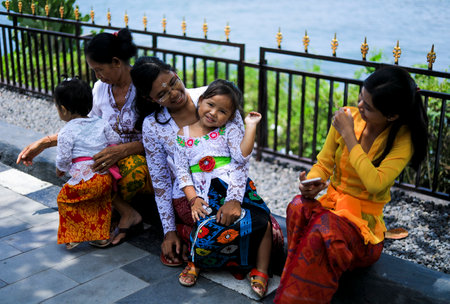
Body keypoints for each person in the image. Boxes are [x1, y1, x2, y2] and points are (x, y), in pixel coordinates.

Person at [274, 66, 428, 303]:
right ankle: (295, 284)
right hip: (332, 209)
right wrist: (312, 182)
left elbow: (375, 184)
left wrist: (349, 136)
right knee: (298, 207)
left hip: (363, 232)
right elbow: (323, 164)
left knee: (324, 229)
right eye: (360, 98)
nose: (359, 106)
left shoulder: (402, 139)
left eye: (368, 106)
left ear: (392, 116)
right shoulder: (349, 117)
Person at [131, 57, 284, 281]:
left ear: (176, 73)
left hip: (227, 185)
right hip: (189, 196)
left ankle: (195, 240)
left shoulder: (217, 98)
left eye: (173, 82)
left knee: (263, 225)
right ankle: (187, 234)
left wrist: (234, 199)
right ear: (150, 99)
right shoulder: (153, 125)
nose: (173, 93)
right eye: (162, 94)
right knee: (225, 223)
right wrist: (169, 232)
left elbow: (240, 160)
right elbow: (161, 181)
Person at [17, 28, 153, 245]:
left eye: (99, 70)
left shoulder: (144, 86)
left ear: (117, 62)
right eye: (94, 71)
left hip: (145, 157)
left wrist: (122, 150)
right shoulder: (100, 88)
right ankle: (108, 213)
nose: (97, 76)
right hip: (109, 156)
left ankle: (119, 213)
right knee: (92, 171)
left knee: (130, 170)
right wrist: (45, 142)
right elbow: (84, 126)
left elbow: (163, 135)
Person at [174, 79, 273, 297]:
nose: (213, 113)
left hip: (234, 188)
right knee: (206, 223)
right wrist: (193, 199)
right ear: (200, 101)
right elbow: (182, 172)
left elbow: (241, 156)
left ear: (229, 117)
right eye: (210, 104)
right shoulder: (184, 134)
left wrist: (251, 126)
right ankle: (195, 262)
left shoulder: (228, 131)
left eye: (222, 111)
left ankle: (262, 269)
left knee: (263, 222)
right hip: (204, 191)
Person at [53, 77, 122, 250]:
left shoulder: (66, 131)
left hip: (85, 179)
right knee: (100, 206)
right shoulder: (100, 122)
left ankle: (75, 235)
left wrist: (60, 169)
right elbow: (116, 139)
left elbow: (63, 157)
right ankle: (101, 238)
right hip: (104, 177)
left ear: (63, 109)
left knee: (65, 201)